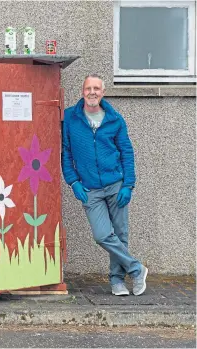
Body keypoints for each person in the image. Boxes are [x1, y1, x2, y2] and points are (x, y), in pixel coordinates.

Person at [61, 74, 148, 296]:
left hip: (115, 184)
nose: (92, 92)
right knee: (102, 235)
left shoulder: (114, 119)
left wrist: (128, 184)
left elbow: (127, 152)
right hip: (89, 189)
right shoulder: (70, 118)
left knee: (120, 234)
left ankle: (117, 281)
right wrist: (73, 182)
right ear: (82, 91)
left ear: (103, 92)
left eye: (96, 88)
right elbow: (66, 153)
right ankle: (137, 269)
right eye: (88, 88)